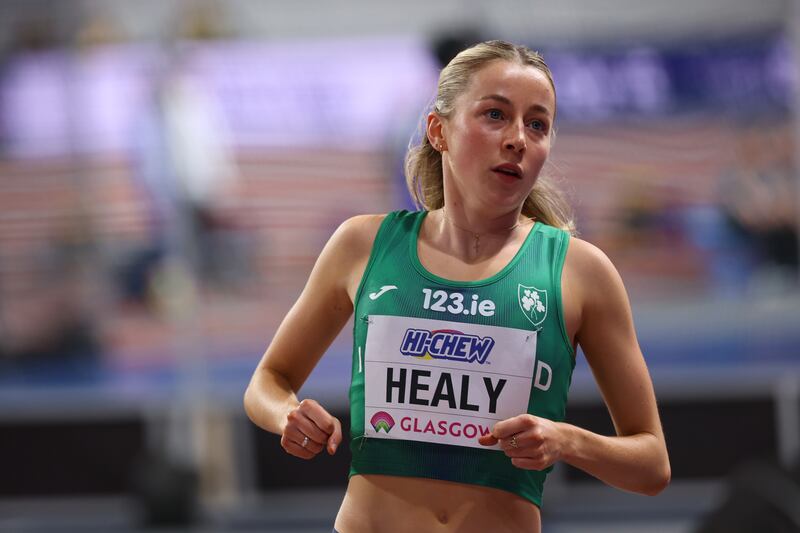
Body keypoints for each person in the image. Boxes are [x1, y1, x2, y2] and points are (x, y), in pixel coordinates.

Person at [244, 40, 670, 533]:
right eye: (495, 115)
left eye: (537, 125)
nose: (517, 139)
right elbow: (266, 383)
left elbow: (652, 464)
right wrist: (288, 416)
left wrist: (565, 441)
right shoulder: (362, 245)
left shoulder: (579, 272)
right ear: (438, 130)